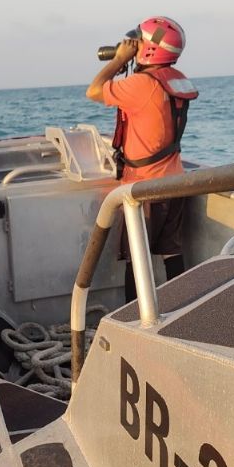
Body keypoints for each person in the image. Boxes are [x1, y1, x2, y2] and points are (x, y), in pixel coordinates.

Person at [86, 16, 198, 302]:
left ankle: (133, 323)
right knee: (171, 252)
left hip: (147, 188)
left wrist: (117, 60)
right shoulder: (171, 79)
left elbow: (94, 91)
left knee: (137, 258)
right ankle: (185, 311)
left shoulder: (141, 85)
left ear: (148, 48)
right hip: (176, 181)